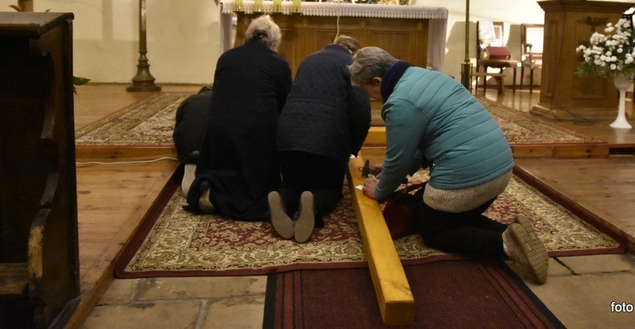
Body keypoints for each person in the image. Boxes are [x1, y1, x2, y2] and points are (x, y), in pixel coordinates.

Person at [350, 47, 549, 284]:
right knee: (449, 216)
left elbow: (398, 158)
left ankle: (505, 245)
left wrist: (380, 189)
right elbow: (424, 141)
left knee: (434, 229)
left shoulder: (400, 101)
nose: (371, 97)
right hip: (501, 168)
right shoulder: (428, 75)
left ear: (377, 80)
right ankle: (516, 233)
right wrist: (398, 167)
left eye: (369, 90)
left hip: (472, 175)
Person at [185, 15, 292, 221]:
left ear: (248, 36)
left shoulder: (226, 58)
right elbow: (285, 103)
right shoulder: (278, 63)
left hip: (219, 133)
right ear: (274, 44)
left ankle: (213, 192)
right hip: (257, 137)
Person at [269, 36, 371, 243]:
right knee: (329, 188)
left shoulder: (309, 59)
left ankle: (283, 198)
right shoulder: (354, 65)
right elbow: (361, 113)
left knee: (293, 182)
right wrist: (353, 147)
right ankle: (314, 204)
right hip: (327, 138)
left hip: (288, 133)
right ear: (355, 52)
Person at [172, 86, 212, 195]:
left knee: (192, 163)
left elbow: (178, 127)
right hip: (213, 150)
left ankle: (191, 164)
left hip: (189, 149)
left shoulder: (188, 101)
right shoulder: (224, 99)